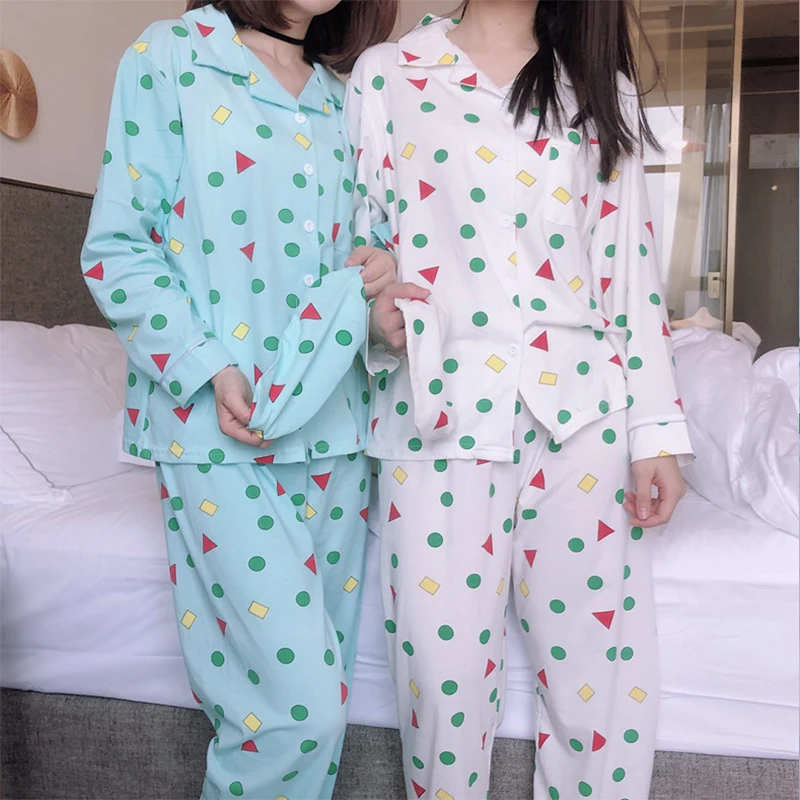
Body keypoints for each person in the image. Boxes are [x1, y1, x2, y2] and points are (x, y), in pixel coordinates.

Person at [345, 1, 693, 798]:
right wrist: (372, 316)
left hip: (583, 416)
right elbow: (359, 239)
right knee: (441, 683)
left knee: (596, 689)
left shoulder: (598, 86)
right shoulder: (389, 74)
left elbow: (629, 273)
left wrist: (654, 432)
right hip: (436, 409)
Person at [82, 0, 397, 797]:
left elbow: (354, 260)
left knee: (319, 710)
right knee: (296, 717)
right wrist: (208, 363)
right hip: (216, 432)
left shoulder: (345, 96)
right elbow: (118, 247)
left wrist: (374, 273)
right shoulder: (171, 57)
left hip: (336, 431)